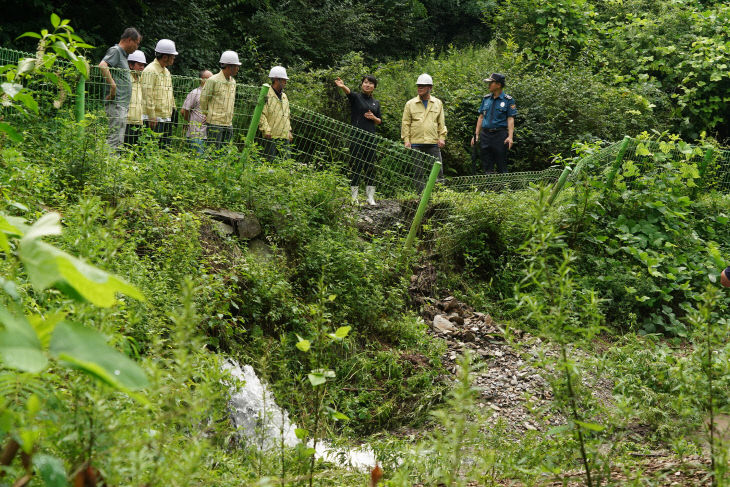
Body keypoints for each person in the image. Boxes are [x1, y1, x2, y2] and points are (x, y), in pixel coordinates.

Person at [334, 75, 382, 205]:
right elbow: (348, 92)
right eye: (365, 82)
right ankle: (354, 197)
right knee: (356, 165)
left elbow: (379, 121)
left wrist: (373, 117)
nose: (367, 85)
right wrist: (342, 86)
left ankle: (370, 198)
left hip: (371, 138)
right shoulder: (356, 97)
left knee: (370, 166)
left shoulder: (376, 103)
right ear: (362, 84)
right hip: (356, 137)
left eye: (371, 83)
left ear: (374, 87)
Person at [98, 28, 141, 151]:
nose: (137, 47)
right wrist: (113, 86)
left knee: (118, 139)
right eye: (137, 43)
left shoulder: (123, 55)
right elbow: (102, 65)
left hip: (121, 104)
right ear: (129, 40)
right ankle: (109, 165)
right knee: (114, 138)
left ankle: (113, 164)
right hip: (116, 104)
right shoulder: (116, 51)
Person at [401, 73, 447, 189]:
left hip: (433, 143)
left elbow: (441, 122)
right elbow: (405, 123)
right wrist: (406, 140)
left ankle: (439, 196)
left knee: (438, 172)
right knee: (418, 173)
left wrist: (442, 137)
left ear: (430, 88)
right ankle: (420, 197)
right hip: (416, 143)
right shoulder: (410, 104)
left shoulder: (438, 103)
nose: (419, 88)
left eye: (423, 85)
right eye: (418, 85)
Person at [471, 73, 516, 174]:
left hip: (500, 135)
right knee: (486, 164)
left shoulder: (508, 100)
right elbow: (481, 117)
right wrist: (476, 135)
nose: (489, 85)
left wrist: (510, 137)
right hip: (485, 135)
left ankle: (504, 188)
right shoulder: (486, 99)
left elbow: (510, 119)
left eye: (491, 83)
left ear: (498, 85)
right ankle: (489, 188)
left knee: (501, 164)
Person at [200, 51, 240, 151]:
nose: (237, 69)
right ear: (229, 66)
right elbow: (204, 99)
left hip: (228, 123)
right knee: (212, 152)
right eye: (236, 66)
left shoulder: (233, 82)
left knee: (225, 153)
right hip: (215, 123)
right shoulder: (212, 80)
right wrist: (207, 114)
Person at [141, 39, 178, 148]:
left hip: (166, 117)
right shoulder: (150, 70)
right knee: (150, 148)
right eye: (172, 56)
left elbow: (169, 93)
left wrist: (173, 110)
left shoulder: (166, 71)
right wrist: (152, 116)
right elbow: (147, 95)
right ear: (165, 57)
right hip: (154, 119)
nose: (174, 58)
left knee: (165, 149)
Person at [259, 66, 292, 161]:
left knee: (286, 163)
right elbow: (261, 114)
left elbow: (287, 115)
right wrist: (266, 130)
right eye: (284, 80)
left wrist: (289, 131)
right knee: (270, 162)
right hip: (271, 136)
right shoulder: (266, 95)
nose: (286, 82)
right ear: (277, 80)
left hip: (284, 135)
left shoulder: (285, 96)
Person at [181, 69, 212, 154]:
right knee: (197, 160)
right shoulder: (195, 93)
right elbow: (184, 111)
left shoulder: (212, 94)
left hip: (208, 135)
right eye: (210, 79)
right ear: (202, 79)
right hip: (196, 134)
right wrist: (191, 121)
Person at [124, 49, 146, 148]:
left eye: (143, 65)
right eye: (139, 65)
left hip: (139, 122)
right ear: (131, 65)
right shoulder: (125, 80)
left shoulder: (142, 80)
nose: (142, 68)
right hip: (127, 122)